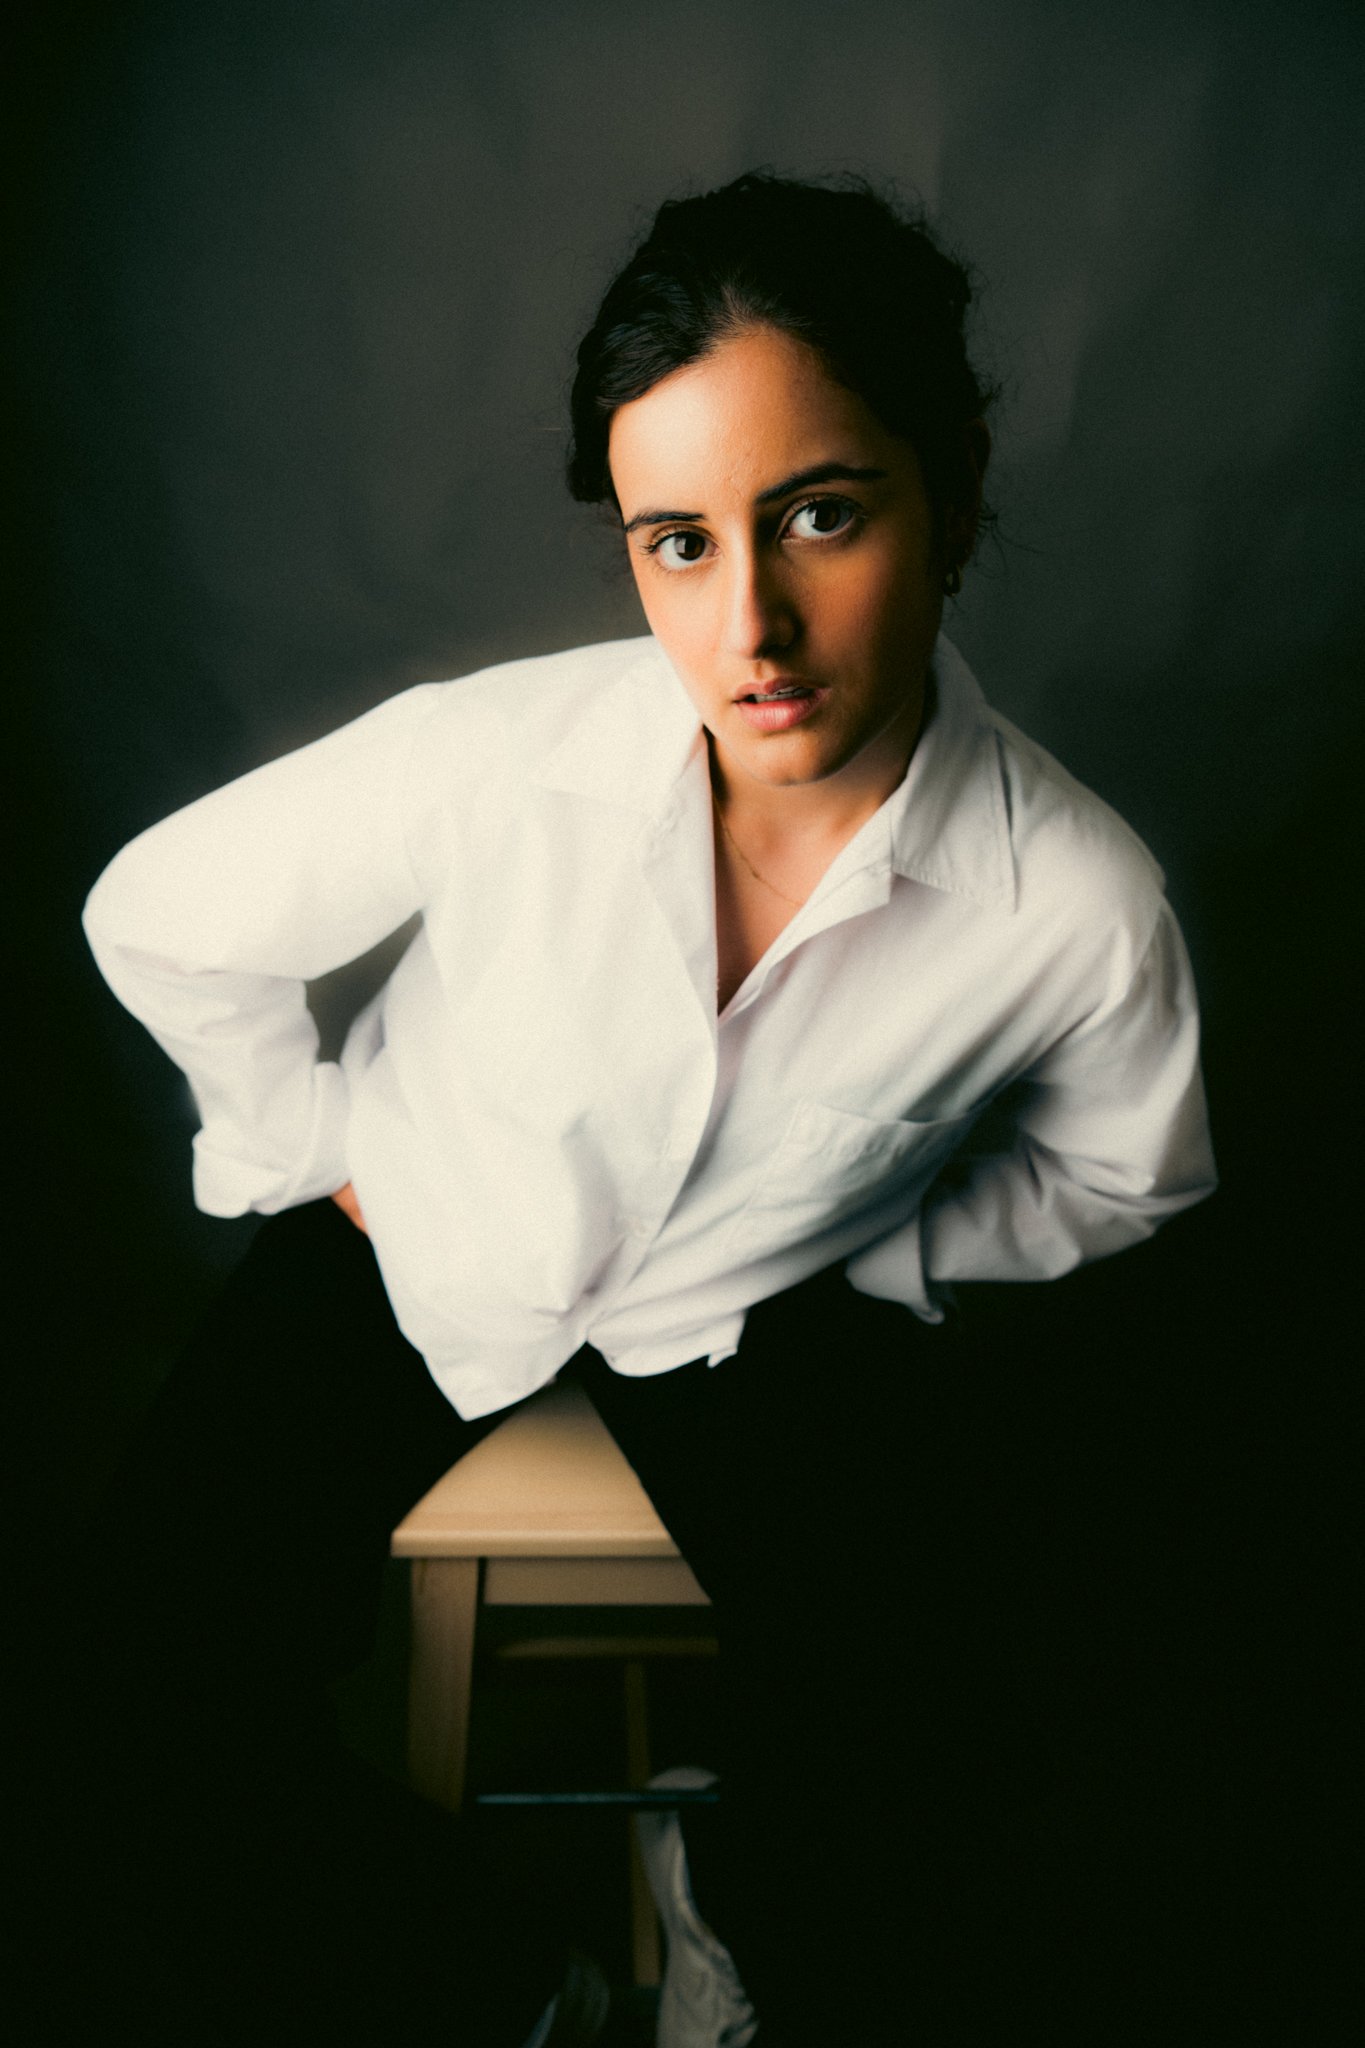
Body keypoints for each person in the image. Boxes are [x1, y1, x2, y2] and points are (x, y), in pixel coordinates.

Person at [67, 172, 1215, 2045]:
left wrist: (888, 1239)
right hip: (414, 1250)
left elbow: (1123, 1174)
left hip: (746, 1327)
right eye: (676, 542)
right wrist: (317, 1151)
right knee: (124, 1693)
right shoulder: (498, 761)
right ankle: (502, 1988)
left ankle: (719, 1925)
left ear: (954, 504)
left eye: (819, 516)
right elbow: (158, 916)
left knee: (902, 1804)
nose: (749, 619)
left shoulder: (1071, 903)